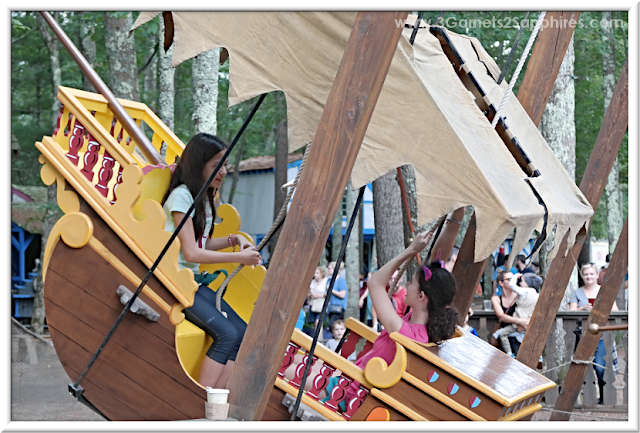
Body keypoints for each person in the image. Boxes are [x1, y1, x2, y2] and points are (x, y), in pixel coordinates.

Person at [162, 133, 262, 389]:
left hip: (190, 281)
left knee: (242, 332)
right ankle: (202, 401)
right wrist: (239, 257)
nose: (224, 171)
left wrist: (233, 240)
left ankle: (218, 399)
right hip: (173, 280)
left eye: (225, 164)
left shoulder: (203, 198)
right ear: (199, 165)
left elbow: (200, 243)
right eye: (217, 164)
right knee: (227, 335)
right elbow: (192, 254)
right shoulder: (183, 197)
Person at [322, 231, 458, 410]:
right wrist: (455, 219)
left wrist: (410, 250)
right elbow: (437, 263)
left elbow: (375, 283)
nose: (407, 285)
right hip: (351, 382)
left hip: (348, 393)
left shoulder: (404, 333)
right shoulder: (420, 326)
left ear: (421, 296)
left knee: (283, 365)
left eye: (411, 283)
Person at [569, 263, 618, 404]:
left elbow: (615, 310)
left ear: (597, 275)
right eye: (586, 274)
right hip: (582, 334)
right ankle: (586, 398)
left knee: (600, 366)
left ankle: (605, 397)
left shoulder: (605, 291)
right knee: (582, 367)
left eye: (591, 274)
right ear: (582, 276)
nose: (589, 276)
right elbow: (571, 312)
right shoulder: (576, 293)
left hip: (601, 334)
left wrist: (602, 308)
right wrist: (582, 308)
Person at [497, 273, 539, 357]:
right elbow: (501, 316)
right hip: (523, 324)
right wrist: (521, 322)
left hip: (520, 325)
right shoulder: (536, 295)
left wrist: (515, 276)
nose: (519, 283)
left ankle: (509, 354)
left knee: (502, 334)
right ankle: (538, 355)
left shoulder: (524, 292)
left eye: (521, 281)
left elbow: (512, 285)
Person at [491, 270, 530, 356]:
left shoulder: (520, 295)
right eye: (509, 279)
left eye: (514, 279)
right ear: (501, 283)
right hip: (504, 336)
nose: (513, 281)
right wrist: (520, 321)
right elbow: (501, 316)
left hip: (519, 334)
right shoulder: (496, 299)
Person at [326, 261, 348, 329]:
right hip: (330, 307)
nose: (327, 270)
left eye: (329, 268)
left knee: (332, 325)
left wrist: (331, 290)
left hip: (338, 307)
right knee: (332, 326)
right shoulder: (329, 280)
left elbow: (342, 295)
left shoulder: (341, 280)